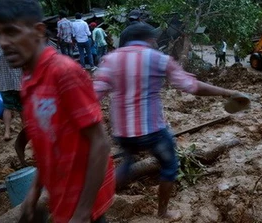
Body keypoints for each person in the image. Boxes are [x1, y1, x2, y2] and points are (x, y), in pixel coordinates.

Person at [0, 0, 114, 223]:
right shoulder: (28, 81)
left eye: (11, 31)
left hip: (83, 199)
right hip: (62, 195)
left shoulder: (64, 73)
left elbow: (100, 143)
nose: (3, 42)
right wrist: (33, 193)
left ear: (38, 31)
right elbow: (44, 142)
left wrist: (83, 213)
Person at [93, 23, 239, 222]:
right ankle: (163, 212)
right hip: (152, 132)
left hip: (122, 133)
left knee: (127, 162)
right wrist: (227, 92)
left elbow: (94, 94)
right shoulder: (159, 59)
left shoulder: (110, 60)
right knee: (169, 166)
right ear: (149, 39)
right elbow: (191, 86)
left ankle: (94, 203)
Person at [0, 45, 23, 141]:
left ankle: (7, 132)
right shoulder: (18, 47)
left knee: (7, 108)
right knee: (22, 108)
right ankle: (26, 130)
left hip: (4, 85)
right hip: (18, 83)